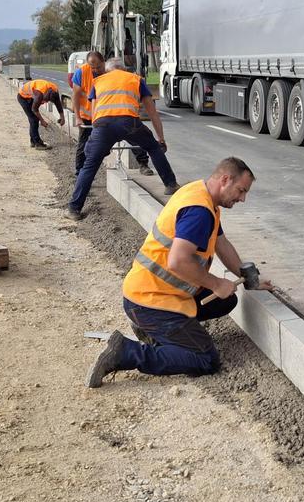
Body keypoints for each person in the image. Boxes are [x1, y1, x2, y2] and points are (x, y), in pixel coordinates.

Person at [86, 157, 270, 385]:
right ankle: (125, 352)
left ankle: (157, 331)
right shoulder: (199, 212)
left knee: (226, 300)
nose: (243, 198)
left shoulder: (200, 194)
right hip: (150, 301)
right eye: (241, 190)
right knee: (205, 359)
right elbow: (177, 262)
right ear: (225, 180)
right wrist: (215, 283)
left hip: (155, 292)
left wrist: (249, 278)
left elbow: (221, 243)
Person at [66, 58, 178, 220]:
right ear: (124, 69)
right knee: (153, 147)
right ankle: (170, 184)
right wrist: (160, 139)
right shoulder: (136, 79)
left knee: (90, 165)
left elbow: (94, 113)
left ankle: (74, 209)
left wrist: (102, 143)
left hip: (102, 126)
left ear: (108, 70)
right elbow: (152, 112)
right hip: (129, 123)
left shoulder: (98, 81)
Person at [71, 52, 152, 177]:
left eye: (98, 67)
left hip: (112, 113)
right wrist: (77, 117)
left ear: (104, 62)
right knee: (84, 145)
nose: (96, 70)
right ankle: (79, 173)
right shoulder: (81, 73)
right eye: (92, 67)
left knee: (134, 138)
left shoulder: (110, 72)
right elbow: (75, 96)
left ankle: (143, 164)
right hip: (88, 117)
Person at [16, 78, 64, 149]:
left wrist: (62, 117)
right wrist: (42, 121)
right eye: (45, 100)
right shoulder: (39, 94)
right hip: (23, 97)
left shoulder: (55, 90)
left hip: (30, 96)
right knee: (34, 119)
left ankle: (33, 141)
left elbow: (58, 104)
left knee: (33, 120)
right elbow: (34, 109)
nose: (45, 102)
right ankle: (38, 144)